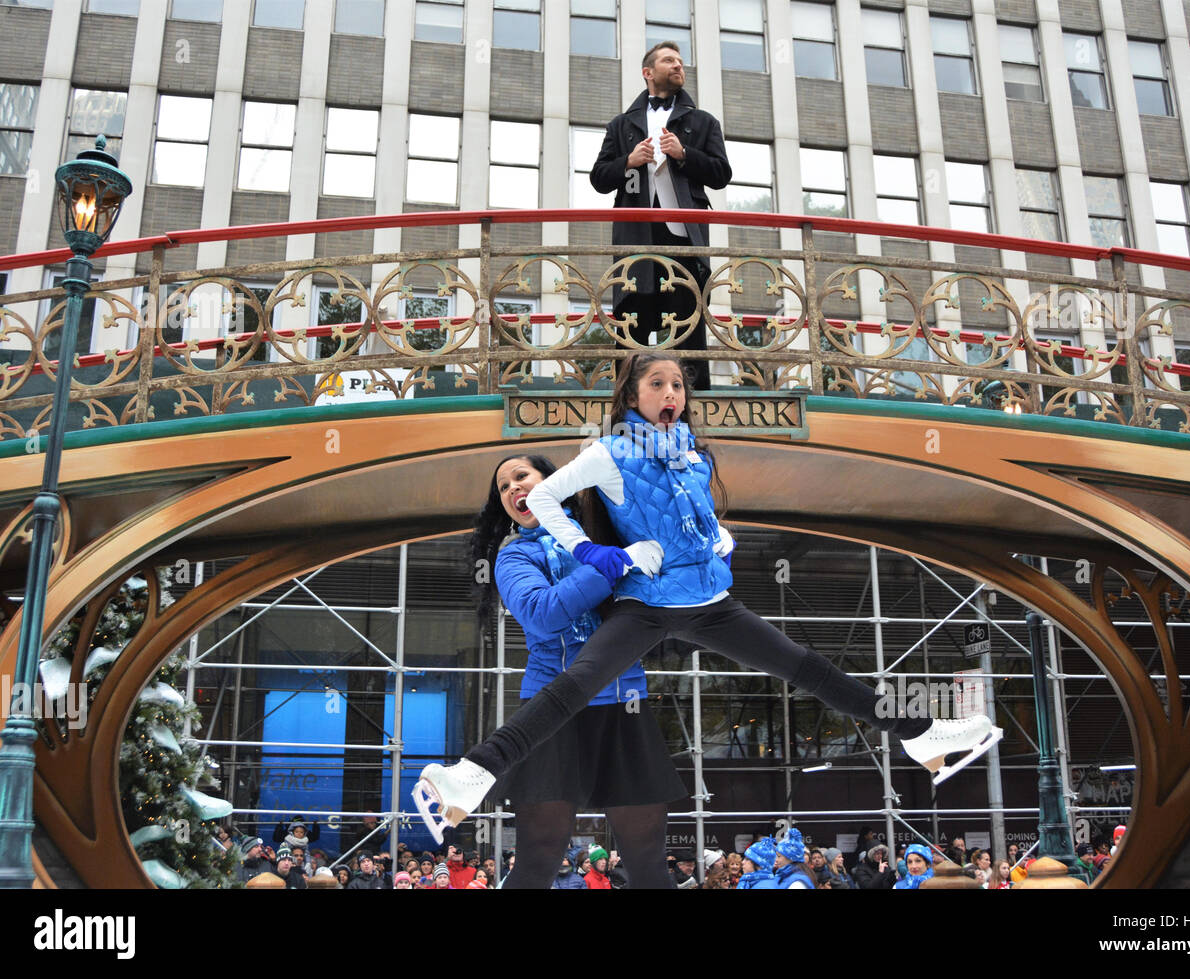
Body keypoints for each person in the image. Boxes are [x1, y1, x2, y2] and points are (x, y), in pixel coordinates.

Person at [417, 354, 1001, 831]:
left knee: (809, 668)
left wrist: (717, 536)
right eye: (657, 383)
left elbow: (689, 517)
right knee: (572, 688)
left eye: (677, 385)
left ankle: (922, 737)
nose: (670, 392)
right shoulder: (610, 451)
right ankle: (472, 774)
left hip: (712, 604)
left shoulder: (693, 455)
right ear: (633, 395)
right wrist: (598, 554)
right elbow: (547, 502)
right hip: (647, 605)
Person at [418, 454, 681, 889]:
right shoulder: (514, 557)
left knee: (649, 864)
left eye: (521, 477)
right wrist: (614, 563)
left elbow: (667, 583)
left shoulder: (608, 530)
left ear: (553, 483)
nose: (512, 489)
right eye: (503, 487)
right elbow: (544, 615)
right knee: (538, 861)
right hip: (552, 711)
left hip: (625, 704)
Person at [588, 41, 731, 391]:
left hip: (684, 237)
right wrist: (627, 162)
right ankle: (627, 406)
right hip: (636, 238)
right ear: (648, 72)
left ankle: (694, 408)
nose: (678, 66)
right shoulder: (621, 126)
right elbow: (598, 179)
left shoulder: (704, 121)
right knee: (632, 324)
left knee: (688, 325)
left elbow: (721, 173)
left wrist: (685, 154)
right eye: (669, 61)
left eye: (681, 61)